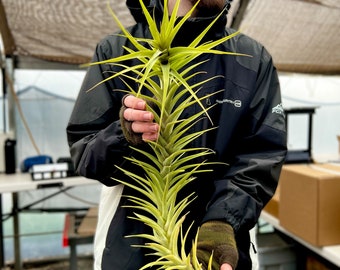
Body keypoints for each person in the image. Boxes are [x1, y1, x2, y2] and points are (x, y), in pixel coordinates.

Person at [66, 0, 287, 269]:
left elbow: (261, 157)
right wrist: (123, 135)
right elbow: (85, 155)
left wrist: (223, 221)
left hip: (218, 253)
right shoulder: (116, 49)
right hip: (130, 253)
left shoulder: (251, 58)